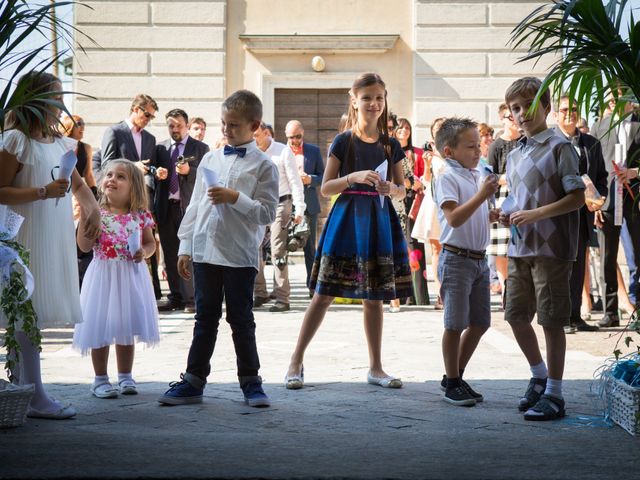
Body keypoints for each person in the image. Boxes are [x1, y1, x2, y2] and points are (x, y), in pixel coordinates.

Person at [284, 73, 412, 390]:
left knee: (375, 298)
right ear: (354, 100)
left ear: (385, 101)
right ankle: (295, 361)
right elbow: (326, 187)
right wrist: (353, 176)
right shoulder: (343, 141)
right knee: (323, 294)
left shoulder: (391, 145)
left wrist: (390, 187)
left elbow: (403, 191)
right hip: (347, 219)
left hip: (379, 222)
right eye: (367, 97)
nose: (374, 103)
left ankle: (376, 368)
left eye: (379, 97)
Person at [158, 90, 278, 407]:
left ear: (254, 125)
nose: (225, 130)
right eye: (223, 123)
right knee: (204, 318)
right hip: (205, 251)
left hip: (239, 254)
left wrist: (235, 198)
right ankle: (193, 381)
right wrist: (186, 246)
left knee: (241, 320)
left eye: (234, 125)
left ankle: (251, 382)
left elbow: (267, 214)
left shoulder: (265, 165)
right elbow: (196, 206)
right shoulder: (210, 158)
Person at [0, 71, 101, 418]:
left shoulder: (61, 144)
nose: (61, 104)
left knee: (32, 315)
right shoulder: (15, 140)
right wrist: (41, 192)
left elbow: (79, 186)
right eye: (55, 97)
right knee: (26, 313)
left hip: (53, 233)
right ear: (35, 99)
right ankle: (36, 395)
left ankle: (20, 391)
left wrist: (94, 213)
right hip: (26, 234)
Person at [500, 77, 584, 421]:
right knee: (515, 315)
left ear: (546, 106)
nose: (521, 113)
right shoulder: (515, 152)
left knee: (551, 320)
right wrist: (504, 214)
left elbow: (577, 197)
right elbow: (519, 202)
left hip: (553, 249)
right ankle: (539, 375)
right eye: (515, 109)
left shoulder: (560, 146)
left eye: (528, 105)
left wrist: (536, 213)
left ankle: (556, 394)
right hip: (520, 248)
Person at [73, 160, 160, 398]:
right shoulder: (96, 213)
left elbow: (150, 243)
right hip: (103, 275)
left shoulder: (140, 215)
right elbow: (83, 245)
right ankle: (100, 379)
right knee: (99, 326)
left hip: (130, 276)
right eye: (109, 174)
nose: (112, 179)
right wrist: (84, 220)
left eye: (121, 177)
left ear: (134, 188)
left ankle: (125, 376)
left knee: (126, 327)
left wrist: (146, 252)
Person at [434, 117, 499, 406]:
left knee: (480, 322)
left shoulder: (474, 175)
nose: (477, 151)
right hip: (456, 259)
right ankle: (452, 383)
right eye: (470, 146)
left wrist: (491, 215)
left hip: (479, 260)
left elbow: (473, 215)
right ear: (449, 151)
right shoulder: (447, 176)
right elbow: (454, 217)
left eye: (478, 146)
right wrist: (483, 195)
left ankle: (454, 376)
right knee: (454, 324)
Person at [99, 94, 165, 300]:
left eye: (152, 117)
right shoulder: (114, 131)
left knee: (146, 240)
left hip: (141, 196)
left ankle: (151, 291)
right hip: (118, 201)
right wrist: (131, 167)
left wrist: (156, 171)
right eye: (146, 114)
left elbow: (148, 165)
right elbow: (106, 164)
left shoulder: (150, 138)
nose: (148, 119)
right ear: (135, 109)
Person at [553, 95, 608, 332]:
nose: (570, 113)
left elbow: (601, 177)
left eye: (574, 109)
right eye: (564, 109)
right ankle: (559, 318)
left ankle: (575, 316)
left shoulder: (591, 143)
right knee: (560, 267)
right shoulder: (549, 142)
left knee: (577, 267)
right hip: (557, 216)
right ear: (555, 114)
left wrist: (601, 198)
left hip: (583, 217)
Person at [591, 93, 640, 327]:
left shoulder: (638, 124)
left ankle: (637, 307)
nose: (614, 100)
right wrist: (594, 202)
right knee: (607, 259)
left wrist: (635, 172)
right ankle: (610, 312)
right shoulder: (599, 126)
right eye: (610, 96)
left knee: (637, 258)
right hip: (607, 203)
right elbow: (593, 167)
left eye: (620, 97)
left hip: (634, 202)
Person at [155, 109, 210, 314]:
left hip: (189, 208)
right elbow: (151, 175)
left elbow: (208, 177)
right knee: (170, 253)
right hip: (166, 207)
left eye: (179, 125)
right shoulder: (160, 148)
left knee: (189, 253)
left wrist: (190, 172)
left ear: (187, 125)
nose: (175, 129)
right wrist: (156, 173)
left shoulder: (201, 148)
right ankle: (175, 296)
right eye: (171, 126)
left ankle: (192, 298)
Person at [254, 122, 306, 312]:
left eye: (256, 135)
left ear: (267, 133)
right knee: (254, 248)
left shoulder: (283, 151)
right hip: (258, 204)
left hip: (280, 204)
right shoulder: (252, 152)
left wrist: (299, 208)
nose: (253, 139)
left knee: (277, 250)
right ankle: (260, 292)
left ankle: (282, 297)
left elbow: (295, 181)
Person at [391, 117, 428, 310]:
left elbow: (420, 179)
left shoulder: (418, 153)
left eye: (407, 128)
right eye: (400, 128)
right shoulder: (389, 151)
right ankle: (397, 295)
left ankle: (417, 296)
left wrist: (414, 183)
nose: (404, 131)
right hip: (395, 201)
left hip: (413, 202)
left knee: (415, 248)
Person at [486, 104, 522, 303]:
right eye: (509, 117)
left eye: (515, 116)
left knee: (520, 242)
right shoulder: (496, 145)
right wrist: (505, 178)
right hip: (503, 197)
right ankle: (505, 286)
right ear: (502, 119)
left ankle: (518, 286)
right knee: (501, 247)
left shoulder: (526, 141)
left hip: (523, 196)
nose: (513, 120)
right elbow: (490, 176)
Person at [285, 120, 325, 295]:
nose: (294, 140)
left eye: (297, 136)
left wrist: (310, 179)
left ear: (303, 133)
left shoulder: (313, 151)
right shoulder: (281, 151)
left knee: (309, 248)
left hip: (308, 204)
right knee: (281, 247)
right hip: (286, 203)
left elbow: (323, 176)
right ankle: (281, 290)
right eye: (291, 137)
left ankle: (312, 285)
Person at [411, 118, 446, 309]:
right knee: (436, 249)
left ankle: (452, 291)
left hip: (451, 200)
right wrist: (427, 163)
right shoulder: (430, 152)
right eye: (437, 128)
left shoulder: (453, 149)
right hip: (434, 201)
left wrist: (439, 156)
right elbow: (426, 180)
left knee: (451, 248)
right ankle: (440, 293)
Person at [60, 114, 98, 287]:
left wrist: (94, 198)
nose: (82, 127)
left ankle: (81, 280)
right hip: (62, 190)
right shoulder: (59, 145)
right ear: (68, 125)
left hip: (80, 191)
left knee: (80, 233)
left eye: (84, 123)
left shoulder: (86, 148)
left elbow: (89, 174)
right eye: (78, 124)